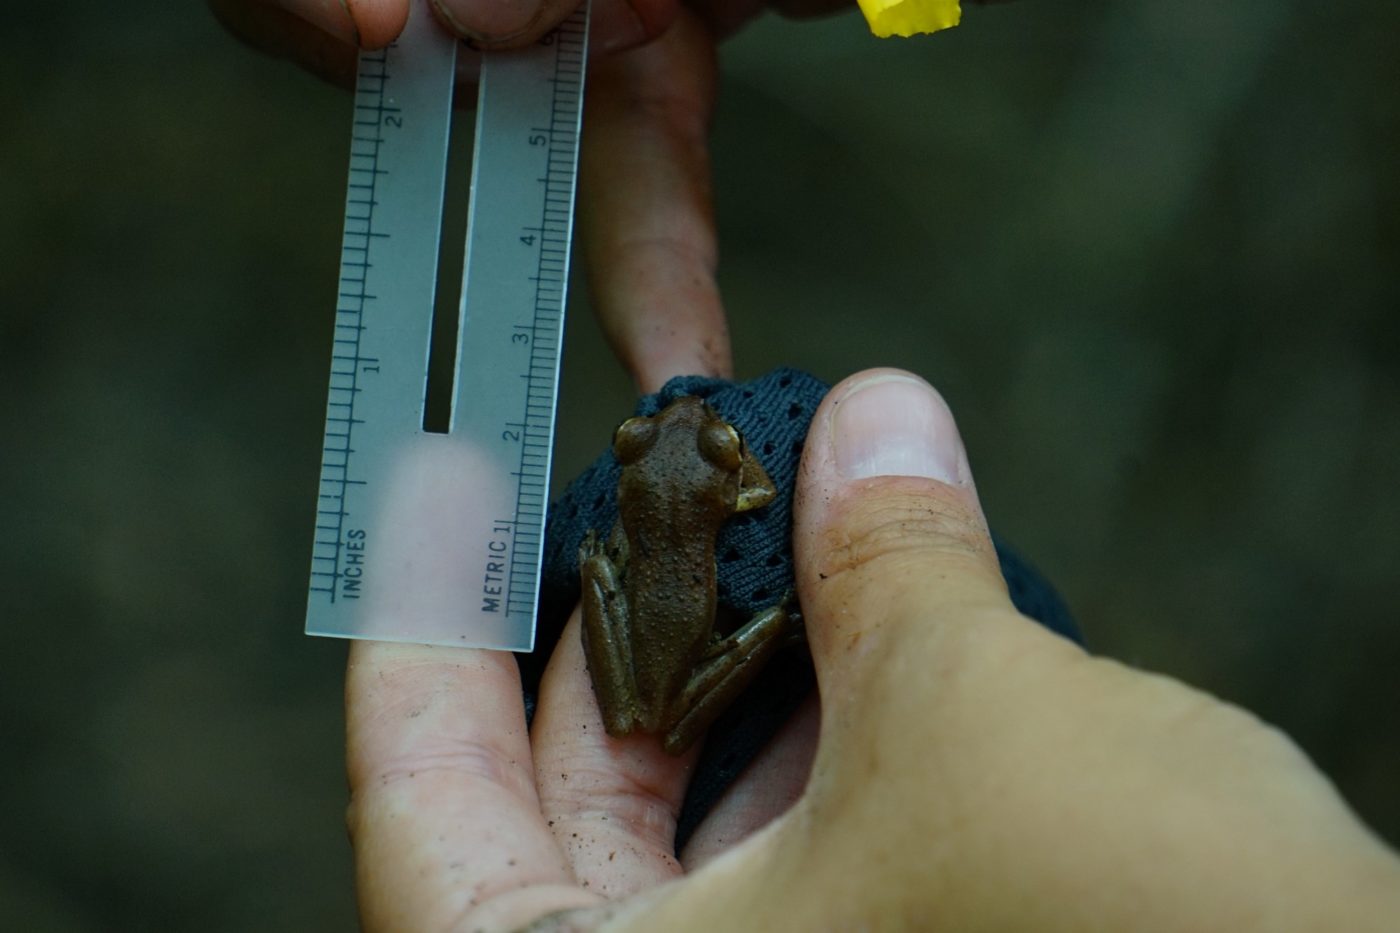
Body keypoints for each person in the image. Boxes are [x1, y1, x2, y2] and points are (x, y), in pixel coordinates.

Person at [214, 2, 1400, 928]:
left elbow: (673, 499)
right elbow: (736, 493)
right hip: (679, 641)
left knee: (631, 602)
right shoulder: (729, 480)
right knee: (711, 621)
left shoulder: (666, 479)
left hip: (652, 625)